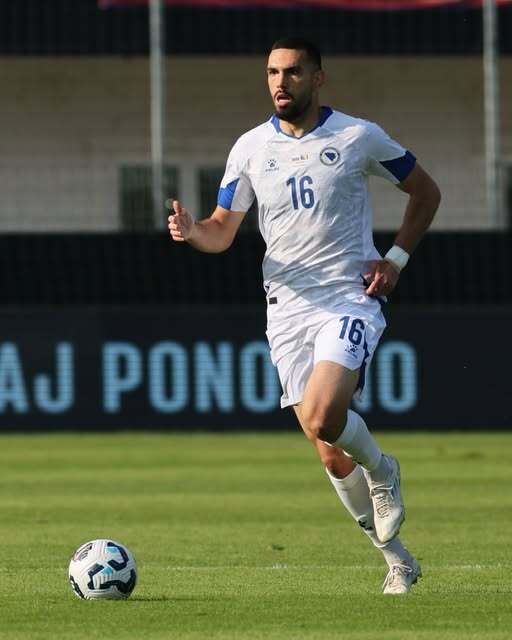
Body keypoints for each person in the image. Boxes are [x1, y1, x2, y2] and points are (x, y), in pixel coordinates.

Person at [168, 36, 441, 594]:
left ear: (318, 78)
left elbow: (425, 192)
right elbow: (222, 229)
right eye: (273, 72)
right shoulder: (249, 148)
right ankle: (397, 559)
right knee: (330, 452)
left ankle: (383, 469)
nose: (280, 82)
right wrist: (195, 231)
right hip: (286, 310)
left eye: (292, 72)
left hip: (348, 298)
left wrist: (394, 260)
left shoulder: (358, 136)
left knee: (322, 415)